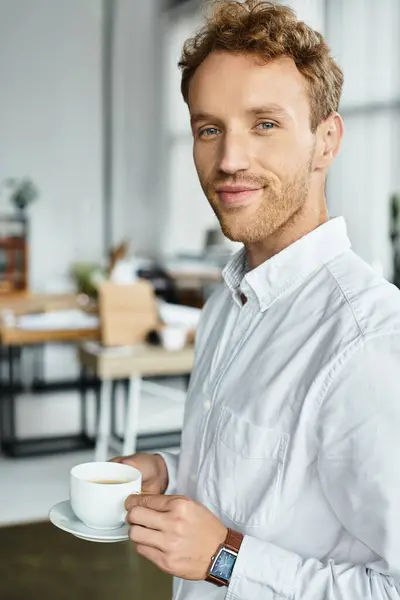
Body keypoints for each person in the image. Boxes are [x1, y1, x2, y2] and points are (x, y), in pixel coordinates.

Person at [112, 1, 400, 598]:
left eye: (265, 123)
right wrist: (171, 468)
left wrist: (225, 559)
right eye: (209, 128)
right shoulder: (227, 303)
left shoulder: (370, 345)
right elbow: (273, 469)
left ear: (326, 141)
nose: (229, 160)